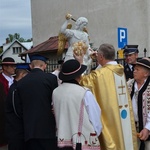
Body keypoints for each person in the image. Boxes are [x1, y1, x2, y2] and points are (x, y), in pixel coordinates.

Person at [74, 43, 138, 150]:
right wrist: (98, 61)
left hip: (109, 119)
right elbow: (104, 68)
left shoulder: (98, 75)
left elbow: (82, 82)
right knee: (123, 138)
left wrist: (80, 62)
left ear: (101, 57)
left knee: (111, 140)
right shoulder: (119, 70)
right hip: (121, 116)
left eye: (98, 55)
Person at [52, 59, 102, 150]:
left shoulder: (55, 92)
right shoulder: (84, 93)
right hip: (82, 142)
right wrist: (95, 134)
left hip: (61, 140)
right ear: (78, 76)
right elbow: (95, 118)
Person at [15, 54, 58, 150]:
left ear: (30, 66)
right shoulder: (51, 79)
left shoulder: (21, 82)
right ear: (44, 65)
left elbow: (19, 106)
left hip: (29, 127)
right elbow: (56, 100)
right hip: (47, 126)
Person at [5, 63, 30, 150]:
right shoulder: (15, 89)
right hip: (15, 130)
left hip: (18, 130)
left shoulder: (18, 87)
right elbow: (17, 110)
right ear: (22, 75)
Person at [127, 58, 150, 150]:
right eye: (134, 69)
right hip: (132, 128)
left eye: (137, 70)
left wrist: (147, 128)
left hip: (147, 127)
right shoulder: (129, 84)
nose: (134, 71)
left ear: (146, 73)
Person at [0, 57, 16, 148]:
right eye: (12, 66)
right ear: (5, 67)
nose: (14, 68)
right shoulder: (1, 81)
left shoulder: (13, 80)